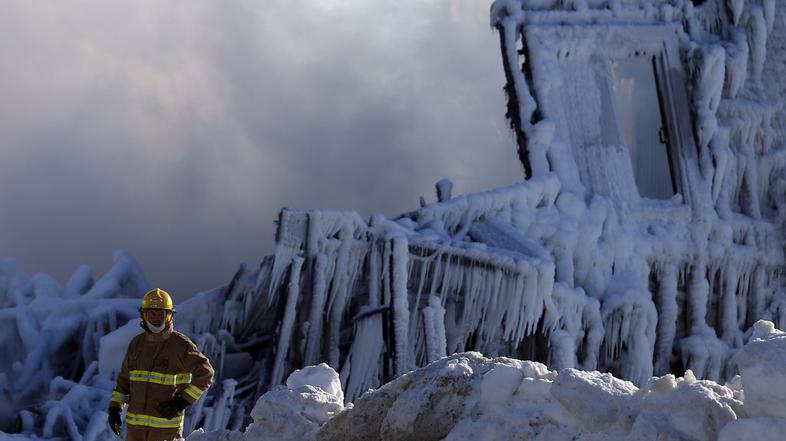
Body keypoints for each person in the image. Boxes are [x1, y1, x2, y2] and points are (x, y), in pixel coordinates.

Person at [107, 288, 214, 441]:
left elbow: (206, 373)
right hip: (135, 431)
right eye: (151, 313)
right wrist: (115, 409)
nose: (155, 318)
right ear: (143, 315)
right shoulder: (137, 344)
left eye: (160, 313)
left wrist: (181, 401)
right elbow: (124, 382)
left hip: (165, 431)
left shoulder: (180, 345)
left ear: (169, 316)